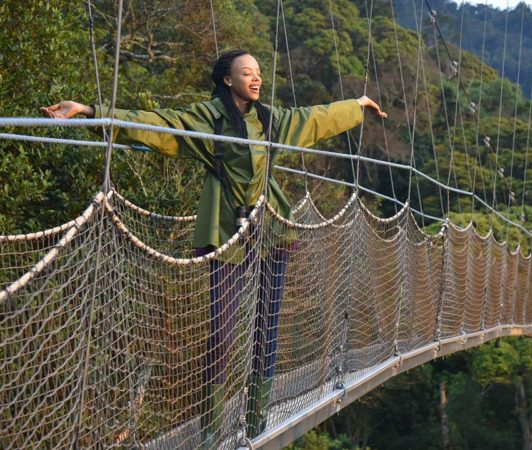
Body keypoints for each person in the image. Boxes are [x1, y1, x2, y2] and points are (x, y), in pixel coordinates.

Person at [42, 49, 387, 446]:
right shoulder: (209, 119)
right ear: (227, 80)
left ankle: (256, 422)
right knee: (220, 334)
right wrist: (89, 111)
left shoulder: (271, 120)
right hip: (225, 228)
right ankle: (210, 433)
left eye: (258, 73)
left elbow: (316, 118)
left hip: (271, 228)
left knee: (267, 329)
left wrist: (357, 105)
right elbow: (158, 123)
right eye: (247, 73)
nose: (256, 79)